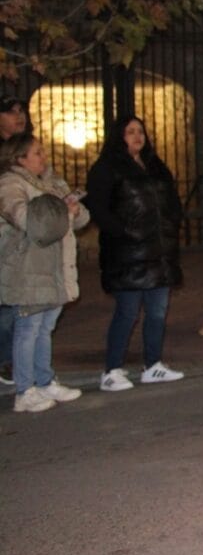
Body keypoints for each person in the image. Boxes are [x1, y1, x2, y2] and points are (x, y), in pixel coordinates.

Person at [86, 116, 186, 392]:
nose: (136, 136)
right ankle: (112, 368)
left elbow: (171, 199)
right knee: (128, 311)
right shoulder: (107, 168)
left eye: (140, 131)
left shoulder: (155, 165)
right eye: (130, 132)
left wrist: (171, 221)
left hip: (159, 250)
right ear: (119, 136)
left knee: (157, 310)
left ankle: (152, 364)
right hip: (127, 253)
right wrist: (123, 231)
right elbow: (99, 207)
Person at [0, 132, 90, 412]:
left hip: (53, 268)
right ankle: (24, 389)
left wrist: (72, 209)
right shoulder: (10, 184)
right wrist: (62, 212)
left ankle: (44, 379)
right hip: (28, 267)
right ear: (20, 158)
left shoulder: (49, 182)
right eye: (37, 152)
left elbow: (82, 218)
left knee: (45, 327)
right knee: (28, 329)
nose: (43, 157)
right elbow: (27, 219)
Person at [0, 92, 31, 388]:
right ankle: (7, 361)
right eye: (11, 111)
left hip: (25, 242)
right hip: (5, 239)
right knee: (8, 305)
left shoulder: (29, 149)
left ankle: (17, 360)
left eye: (21, 110)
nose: (18, 116)